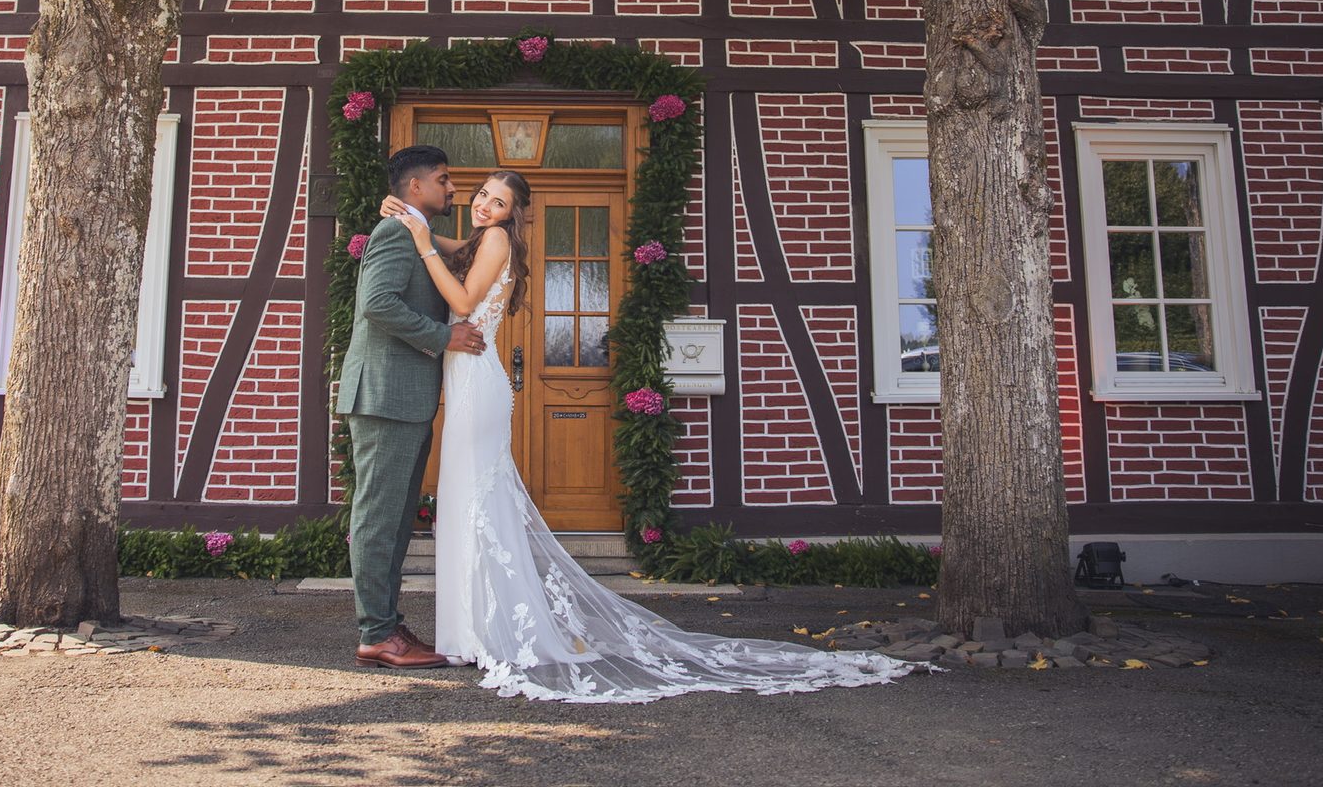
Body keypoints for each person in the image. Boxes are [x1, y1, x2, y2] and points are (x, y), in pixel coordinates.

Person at [380, 169, 924, 703]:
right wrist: (415, 224)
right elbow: (458, 246)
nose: (482, 206)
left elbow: (462, 303)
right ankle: (471, 631)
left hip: (478, 386)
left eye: (496, 202)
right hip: (475, 381)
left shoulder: (495, 239)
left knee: (474, 503)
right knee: (472, 503)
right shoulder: (486, 238)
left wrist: (423, 241)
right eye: (480, 195)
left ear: (512, 214)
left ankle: (478, 633)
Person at [336, 145, 485, 669]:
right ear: (416, 186)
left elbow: (458, 253)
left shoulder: (412, 231)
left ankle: (386, 624)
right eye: (444, 179)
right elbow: (377, 305)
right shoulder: (393, 232)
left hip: (404, 398)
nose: (453, 189)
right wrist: (444, 336)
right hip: (384, 396)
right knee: (379, 519)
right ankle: (377, 633)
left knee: (397, 520)